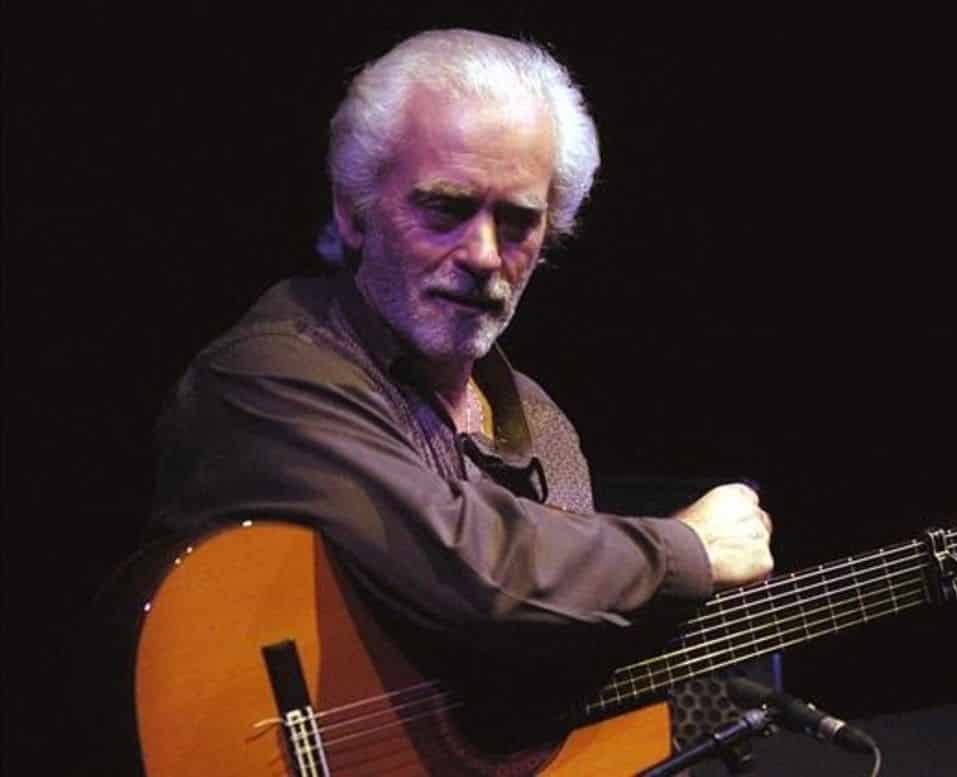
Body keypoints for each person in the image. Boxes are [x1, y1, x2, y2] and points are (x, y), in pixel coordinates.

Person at [150, 27, 772, 691]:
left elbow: (545, 657)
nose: (482, 254)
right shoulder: (270, 373)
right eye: (445, 208)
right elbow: (467, 568)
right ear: (353, 212)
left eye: (517, 220)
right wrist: (689, 550)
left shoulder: (544, 427)